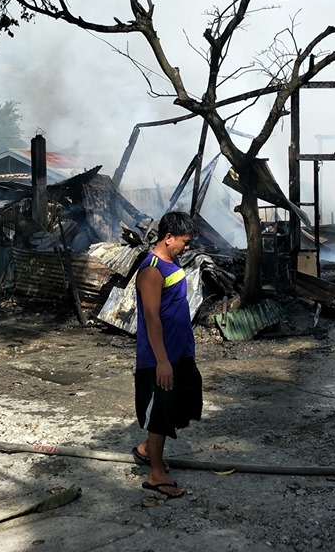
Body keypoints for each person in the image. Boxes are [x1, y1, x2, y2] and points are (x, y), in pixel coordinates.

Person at [132, 211, 202, 499]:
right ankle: (156, 475)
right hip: (159, 357)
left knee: (186, 401)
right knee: (161, 411)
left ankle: (147, 449)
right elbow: (151, 317)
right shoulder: (152, 270)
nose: (187, 247)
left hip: (180, 351)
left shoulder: (172, 263)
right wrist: (162, 361)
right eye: (185, 242)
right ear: (169, 237)